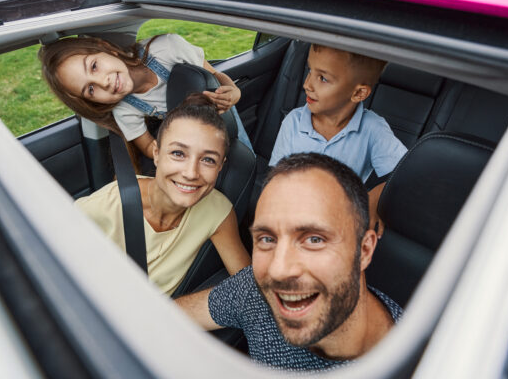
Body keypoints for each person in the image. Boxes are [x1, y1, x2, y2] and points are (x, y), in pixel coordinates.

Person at [176, 153, 402, 372]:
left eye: (314, 239)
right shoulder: (255, 290)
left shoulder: (420, 365)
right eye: (267, 239)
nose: (278, 270)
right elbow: (168, 317)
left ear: (364, 250)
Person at [75, 94, 251, 295]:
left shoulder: (219, 212)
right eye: (178, 153)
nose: (191, 173)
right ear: (156, 154)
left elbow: (251, 290)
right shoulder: (106, 204)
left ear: (220, 167)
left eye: (208, 160)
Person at [39, 34, 252, 169]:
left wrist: (233, 90)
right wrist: (174, 154)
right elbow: (148, 146)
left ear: (105, 48)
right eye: (91, 89)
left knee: (243, 161)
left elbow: (214, 74)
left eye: (94, 66)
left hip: (223, 117)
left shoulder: (168, 48)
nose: (103, 82)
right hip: (192, 142)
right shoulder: (125, 109)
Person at [269, 44, 408, 236]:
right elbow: (277, 176)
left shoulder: (372, 129)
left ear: (358, 93)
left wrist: (374, 197)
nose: (307, 84)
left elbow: (405, 171)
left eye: (323, 78)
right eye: (310, 70)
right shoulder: (293, 121)